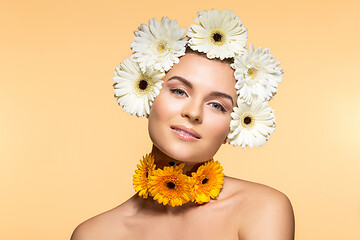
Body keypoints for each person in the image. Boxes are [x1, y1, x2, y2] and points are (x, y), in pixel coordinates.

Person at [71, 9, 295, 240]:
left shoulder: (261, 209)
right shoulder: (94, 234)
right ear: (147, 92)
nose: (193, 113)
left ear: (235, 125)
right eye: (179, 91)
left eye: (217, 105)